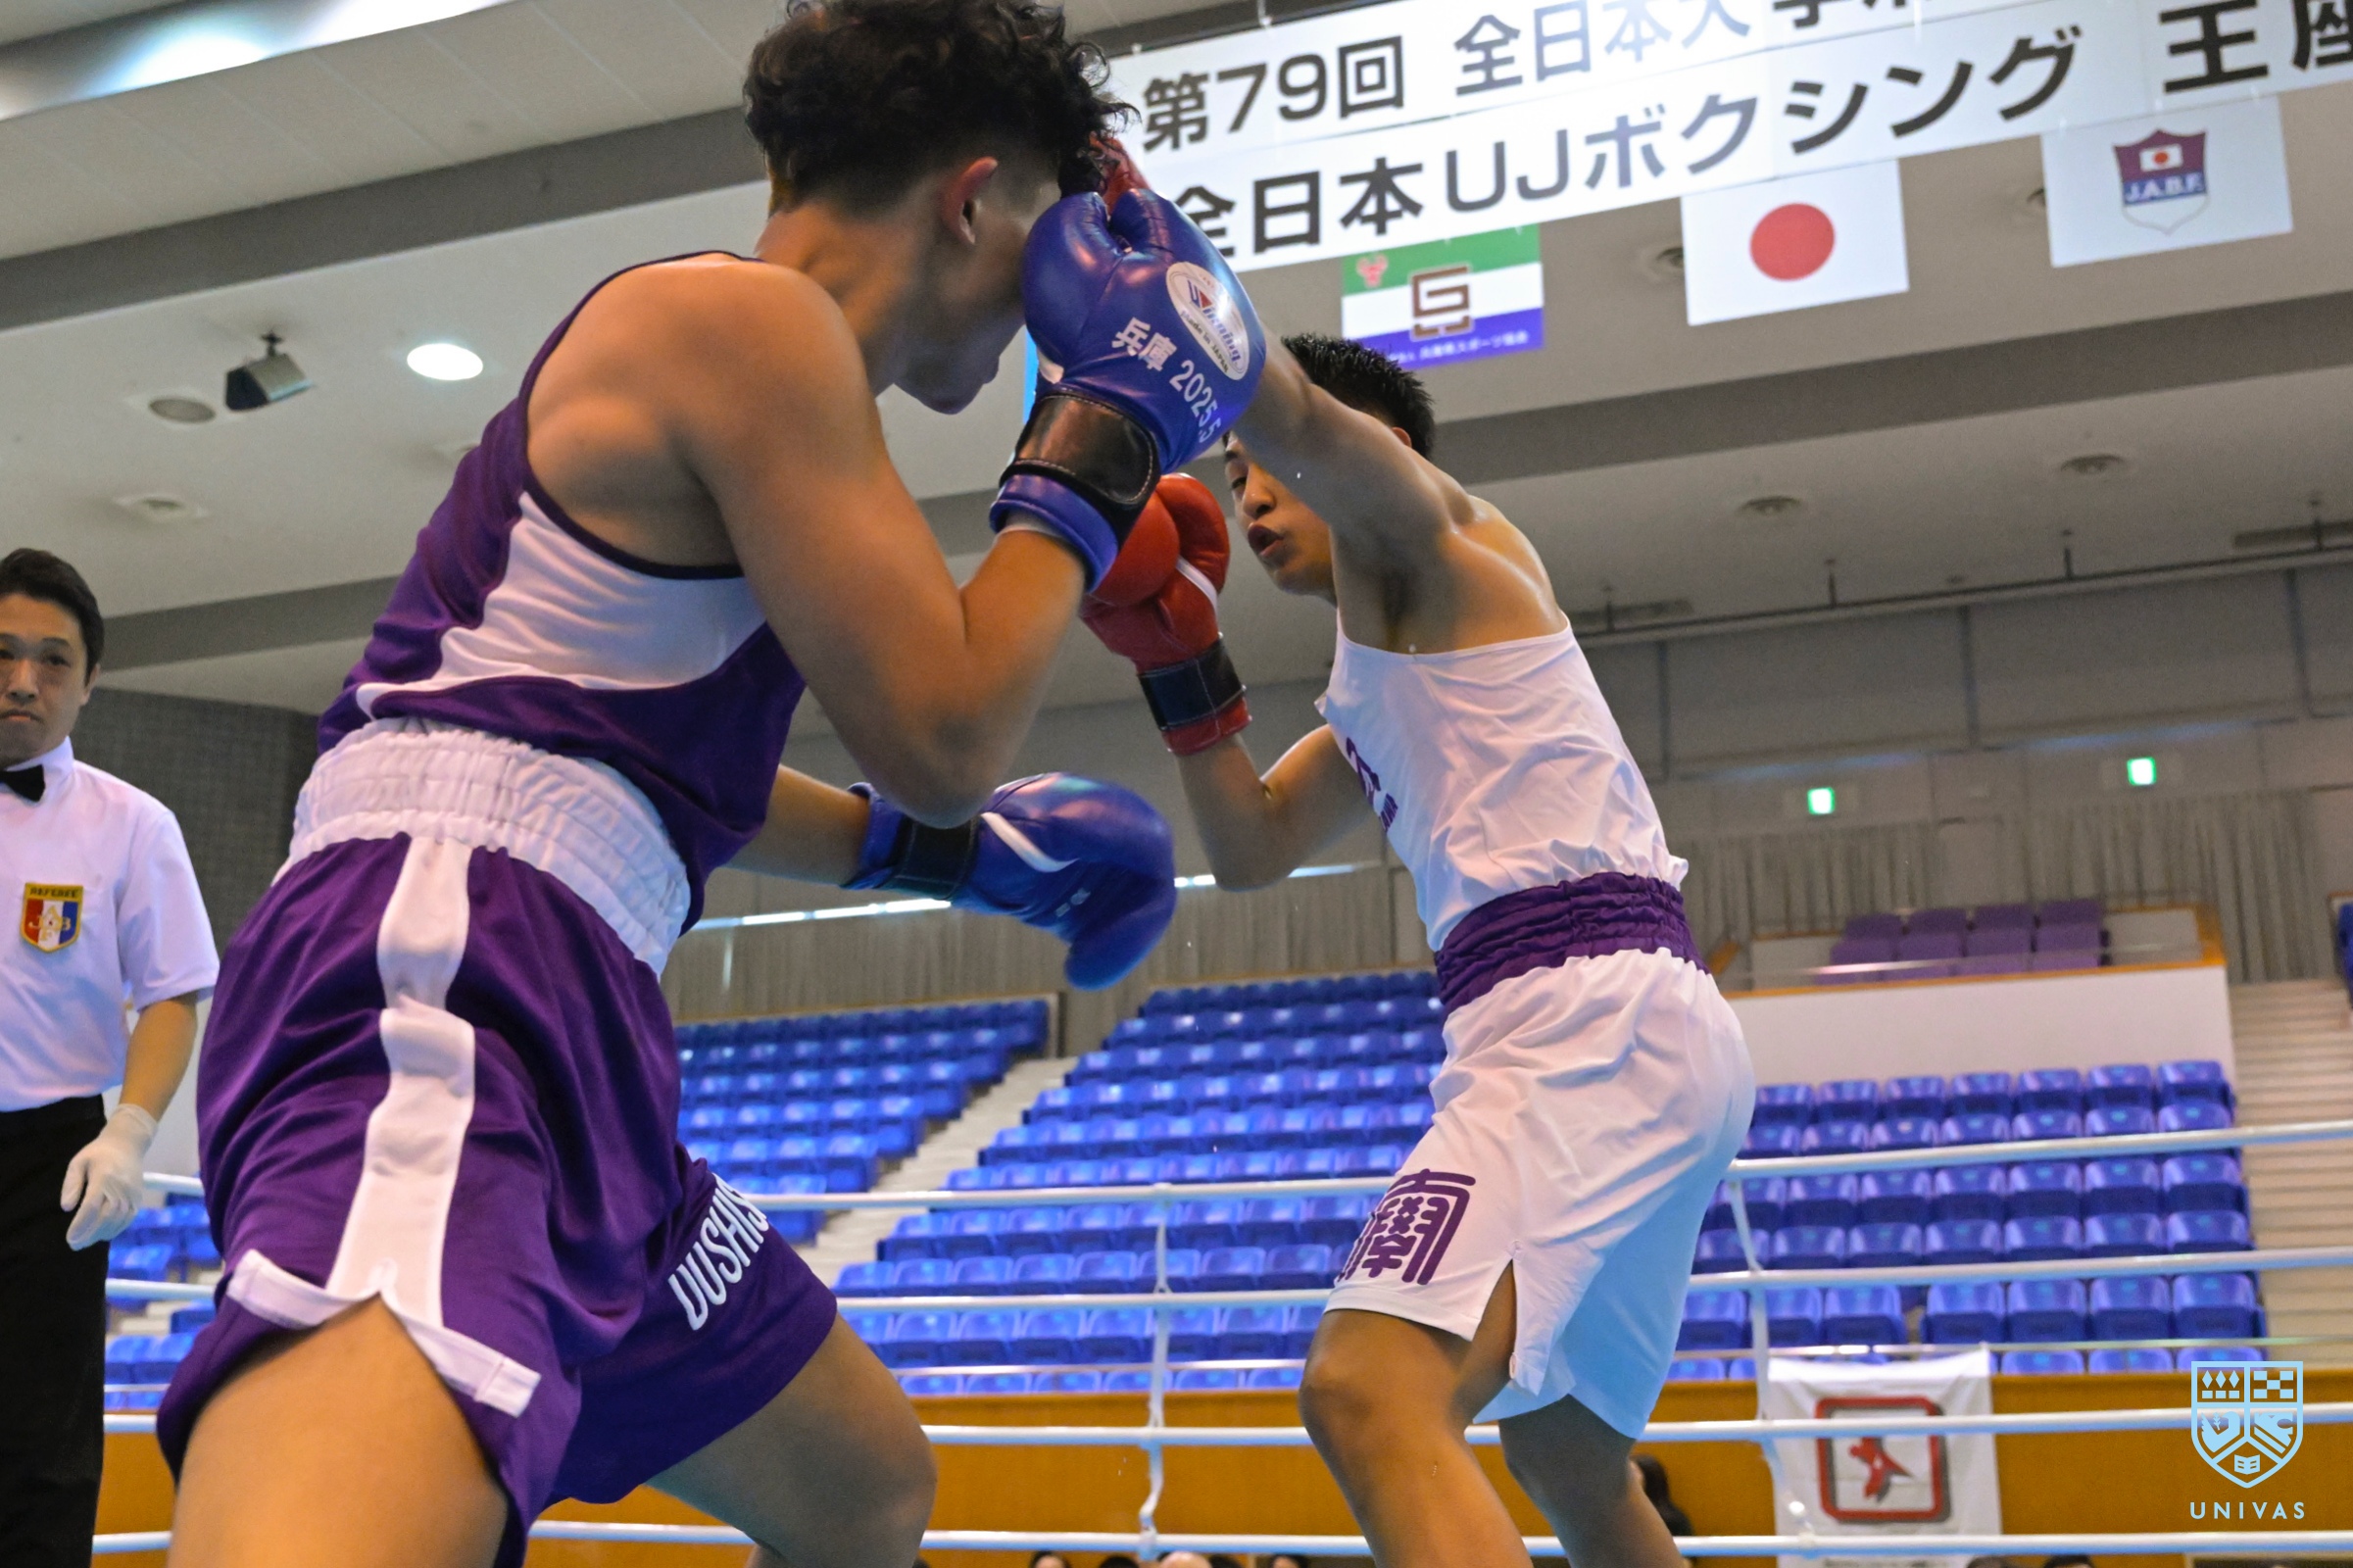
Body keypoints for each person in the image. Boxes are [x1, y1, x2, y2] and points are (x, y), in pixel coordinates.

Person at [155, 4, 1260, 1566]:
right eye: (1045, 240)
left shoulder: (763, 378)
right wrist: (1111, 425)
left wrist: (954, 861)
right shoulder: (746, 326)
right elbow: (944, 734)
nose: (1045, 304)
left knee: (858, 1487)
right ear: (974, 200)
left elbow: (623, 776)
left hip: (544, 967)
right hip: (448, 974)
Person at [1078, 332, 1751, 1568]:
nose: (1248, 497)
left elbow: (1309, 426)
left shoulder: (1451, 548)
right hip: (1611, 1022)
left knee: (1368, 1386)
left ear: (1369, 452)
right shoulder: (1380, 672)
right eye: (1232, 478)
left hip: (1587, 1016)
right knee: (1566, 1454)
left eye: (1259, 466)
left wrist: (1186, 318)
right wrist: (1181, 662)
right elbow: (1253, 845)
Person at [0, 550, 217, 1567]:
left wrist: (130, 1131)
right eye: (3, 653)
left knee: (40, 1443)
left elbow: (173, 990)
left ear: (89, 680)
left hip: (48, 1162)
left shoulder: (133, 825)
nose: (23, 680)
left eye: (53, 659)